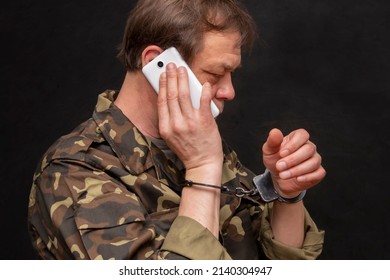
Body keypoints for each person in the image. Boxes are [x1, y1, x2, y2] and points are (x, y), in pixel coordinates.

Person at [28, 0, 326, 260]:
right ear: (157, 64)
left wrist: (287, 194)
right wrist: (203, 167)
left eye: (231, 74)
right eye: (215, 73)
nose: (229, 91)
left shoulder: (202, 146)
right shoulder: (72, 171)